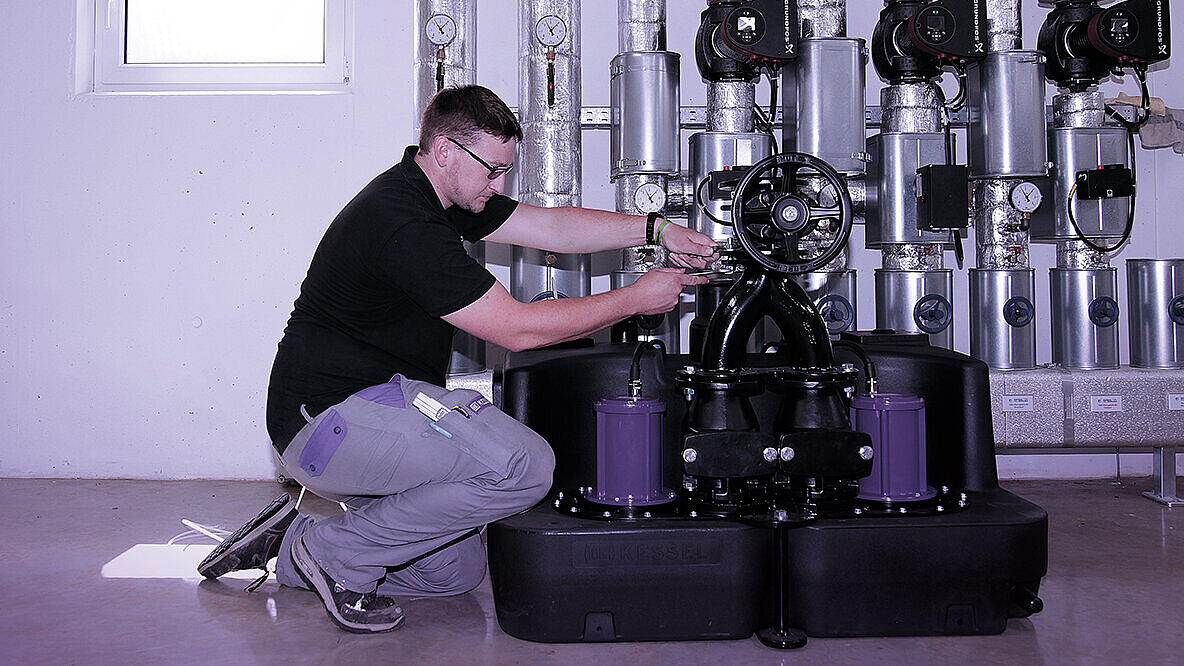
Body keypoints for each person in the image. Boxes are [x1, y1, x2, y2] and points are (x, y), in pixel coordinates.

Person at [198, 85, 718, 633]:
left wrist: (657, 229)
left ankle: (296, 543)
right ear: (444, 150)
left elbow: (551, 228)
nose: (499, 185)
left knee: (454, 571)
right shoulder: (405, 224)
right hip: (333, 421)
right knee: (524, 466)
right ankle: (336, 552)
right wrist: (634, 299)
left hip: (372, 414)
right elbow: (516, 329)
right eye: (492, 171)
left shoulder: (440, 197)